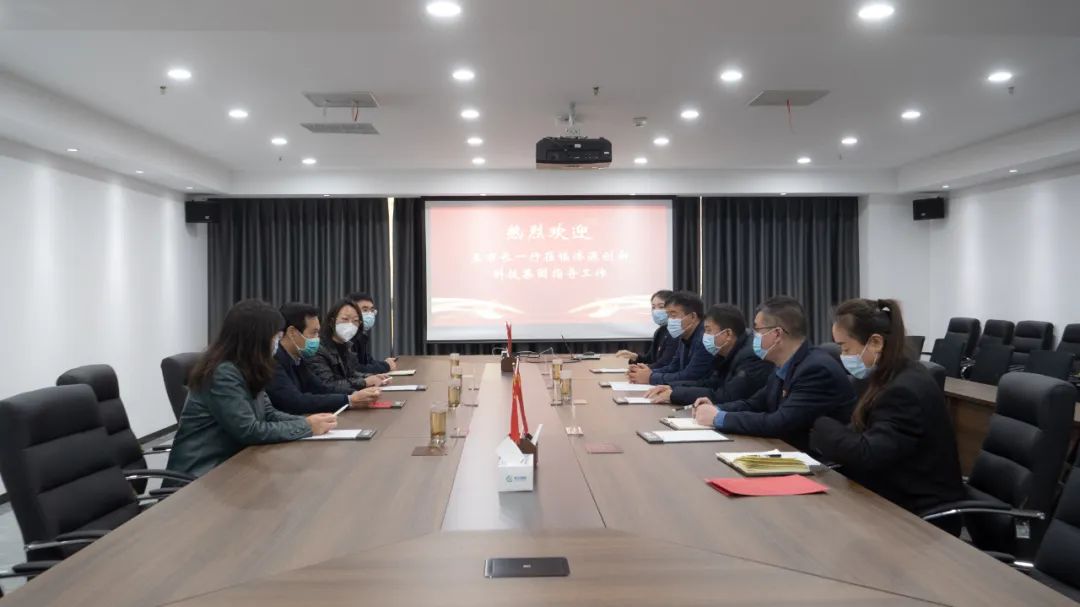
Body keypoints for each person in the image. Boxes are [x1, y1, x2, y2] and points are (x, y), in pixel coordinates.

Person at [810, 298, 965, 516]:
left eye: (845, 348)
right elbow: (860, 437)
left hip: (919, 513)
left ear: (875, 343)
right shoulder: (885, 376)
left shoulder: (904, 390)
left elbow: (868, 454)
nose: (843, 356)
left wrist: (819, 422)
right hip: (889, 491)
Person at [167, 300, 337, 478]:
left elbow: (269, 414)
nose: (277, 342)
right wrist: (307, 426)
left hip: (234, 464)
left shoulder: (249, 368)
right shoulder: (223, 373)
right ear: (256, 338)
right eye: (275, 337)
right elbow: (249, 430)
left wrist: (309, 421)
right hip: (201, 474)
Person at [693, 296, 856, 451]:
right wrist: (716, 408)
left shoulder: (815, 370)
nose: (753, 336)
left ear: (777, 334)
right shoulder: (784, 364)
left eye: (757, 330)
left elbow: (779, 423)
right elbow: (755, 404)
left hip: (818, 462)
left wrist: (719, 418)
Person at [646, 304, 773, 406]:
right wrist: (672, 388)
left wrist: (674, 395)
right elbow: (711, 383)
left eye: (708, 330)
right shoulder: (725, 352)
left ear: (728, 334)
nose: (704, 336)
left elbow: (725, 396)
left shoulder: (751, 357)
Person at [266, 302, 380, 415]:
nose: (317, 338)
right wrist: (348, 400)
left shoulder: (298, 358)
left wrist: (354, 394)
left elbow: (320, 388)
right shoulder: (274, 361)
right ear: (292, 333)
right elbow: (295, 401)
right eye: (313, 333)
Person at [628, 291, 714, 385]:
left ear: (693, 316)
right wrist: (647, 372)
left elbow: (690, 375)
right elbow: (673, 367)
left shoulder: (705, 338)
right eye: (668, 316)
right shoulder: (684, 334)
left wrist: (650, 377)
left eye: (673, 315)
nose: (670, 321)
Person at [309, 299, 389, 392]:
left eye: (355, 320)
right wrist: (364, 382)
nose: (350, 324)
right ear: (331, 322)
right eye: (345, 319)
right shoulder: (318, 348)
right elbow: (328, 384)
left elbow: (351, 374)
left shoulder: (346, 346)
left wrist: (370, 377)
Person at [615, 290, 678, 369]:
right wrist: (634, 357)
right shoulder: (660, 331)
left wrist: (642, 370)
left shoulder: (675, 332)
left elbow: (665, 364)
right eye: (653, 307)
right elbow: (650, 359)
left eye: (661, 307)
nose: (656, 311)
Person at [347, 291, 397, 373]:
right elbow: (355, 369)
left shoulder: (360, 335)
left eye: (372, 310)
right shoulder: (345, 336)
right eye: (365, 310)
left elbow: (367, 361)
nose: (370, 314)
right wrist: (387, 366)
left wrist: (385, 363)